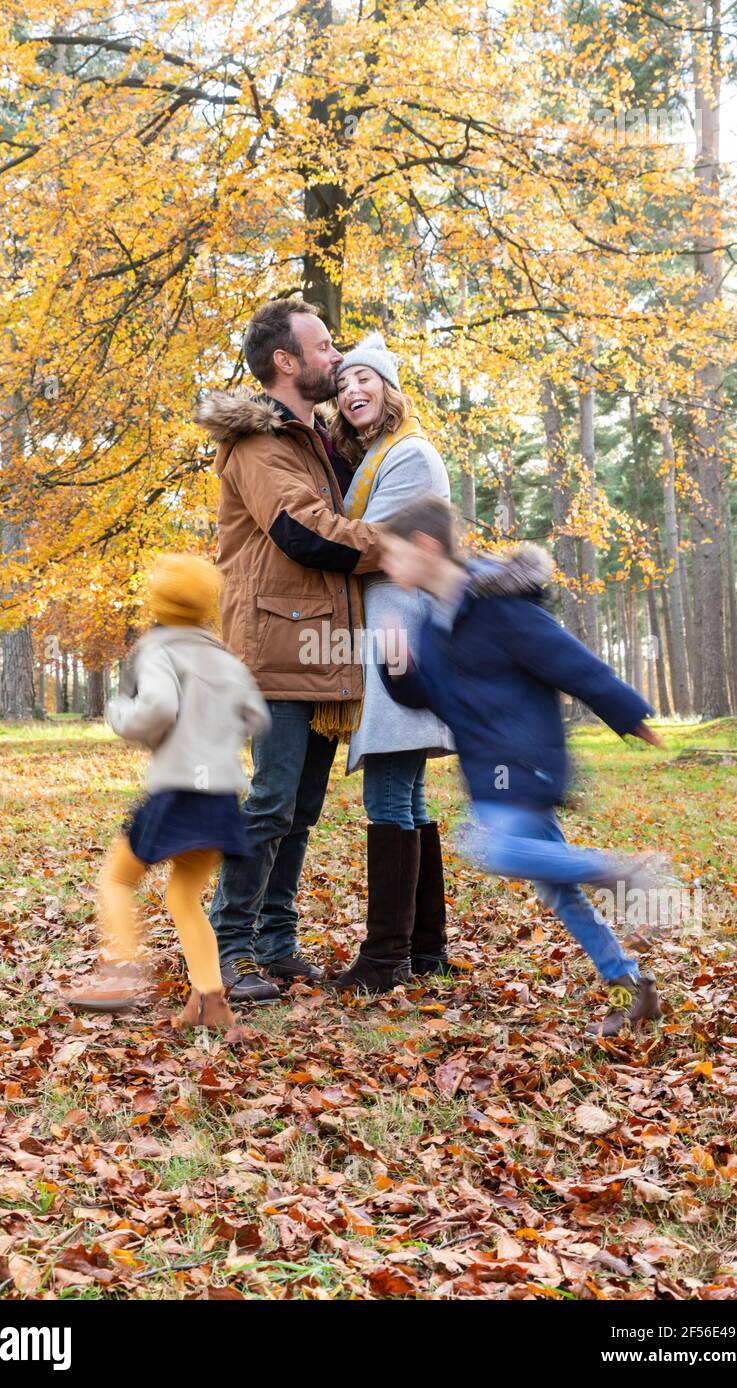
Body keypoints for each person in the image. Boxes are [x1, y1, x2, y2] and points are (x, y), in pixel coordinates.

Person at [378, 494, 667, 1038]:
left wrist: (629, 713)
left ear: (425, 546)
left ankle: (614, 868)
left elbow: (571, 662)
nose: (387, 567)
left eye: (392, 554)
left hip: (523, 762)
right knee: (556, 887)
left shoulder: (498, 606)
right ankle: (632, 985)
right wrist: (397, 668)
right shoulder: (432, 623)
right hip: (489, 766)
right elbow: (428, 697)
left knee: (485, 846)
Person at [194, 300, 384, 1003]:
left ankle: (275, 940)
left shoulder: (318, 443)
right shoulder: (259, 446)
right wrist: (398, 550)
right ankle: (228, 946)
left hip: (323, 647)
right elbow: (306, 534)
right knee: (270, 801)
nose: (336, 357)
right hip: (273, 648)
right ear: (287, 361)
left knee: (300, 809)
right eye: (325, 346)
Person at [64, 554, 270, 1031]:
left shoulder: (160, 648)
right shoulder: (224, 657)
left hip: (178, 789)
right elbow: (257, 716)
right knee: (183, 897)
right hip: (219, 796)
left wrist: (119, 713)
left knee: (117, 880)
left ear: (160, 601)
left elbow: (156, 708)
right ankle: (211, 1001)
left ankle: (120, 972)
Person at [326, 332, 454, 993]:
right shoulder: (380, 456)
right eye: (343, 383)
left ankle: (384, 960)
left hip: (400, 636)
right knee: (406, 793)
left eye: (365, 380)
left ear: (389, 388)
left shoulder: (409, 456)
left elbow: (367, 545)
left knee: (387, 795)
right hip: (391, 632)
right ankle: (424, 949)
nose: (352, 391)